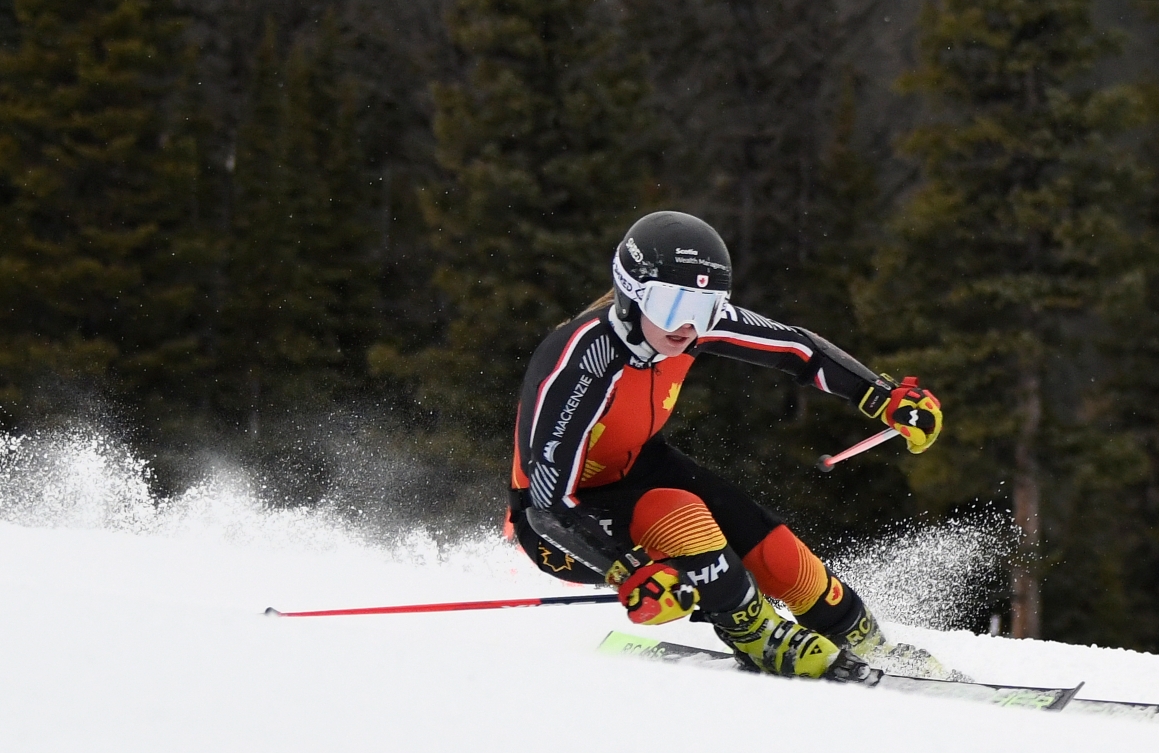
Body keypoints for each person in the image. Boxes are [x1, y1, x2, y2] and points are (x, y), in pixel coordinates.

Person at [507, 211, 945, 681]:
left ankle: (859, 636)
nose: (690, 327)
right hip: (560, 522)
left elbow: (799, 350)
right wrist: (626, 570)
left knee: (774, 549)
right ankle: (755, 633)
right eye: (673, 306)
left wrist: (881, 396)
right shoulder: (585, 362)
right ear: (632, 294)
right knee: (681, 514)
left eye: (706, 308)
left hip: (635, 467)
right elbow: (546, 504)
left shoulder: (678, 328)